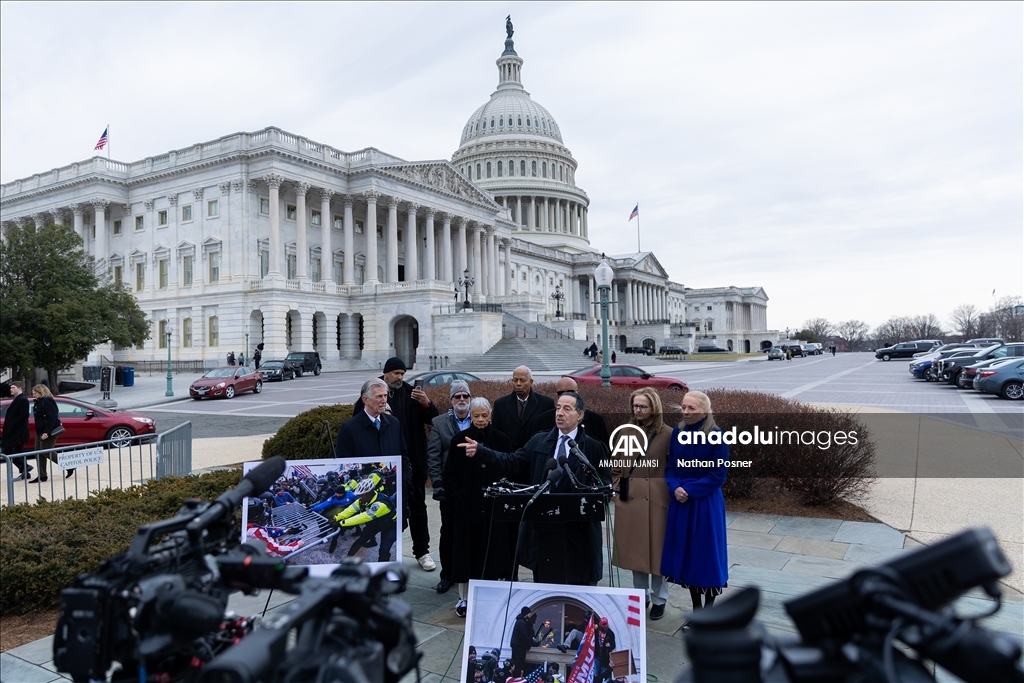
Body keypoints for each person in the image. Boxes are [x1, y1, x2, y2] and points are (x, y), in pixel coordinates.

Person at [461, 392, 610, 585]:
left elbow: (604, 485)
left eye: (567, 409)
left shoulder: (593, 447)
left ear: (580, 415)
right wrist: (482, 452)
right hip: (544, 530)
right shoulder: (540, 441)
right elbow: (512, 461)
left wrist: (595, 500)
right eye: (558, 408)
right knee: (545, 587)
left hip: (578, 535)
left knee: (574, 589)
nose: (559, 413)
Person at [352, 357, 439, 572]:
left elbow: (433, 419)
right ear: (386, 373)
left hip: (412, 462)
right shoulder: (371, 391)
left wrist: (426, 404)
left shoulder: (412, 393)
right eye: (396, 373)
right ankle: (384, 553)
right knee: (382, 509)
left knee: (417, 507)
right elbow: (357, 424)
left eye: (402, 373)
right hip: (380, 468)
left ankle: (422, 551)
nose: (400, 377)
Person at [662, 390, 729, 625]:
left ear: (704, 410)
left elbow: (718, 474)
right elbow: (671, 467)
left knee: (706, 558)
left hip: (705, 505)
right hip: (681, 503)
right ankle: (696, 612)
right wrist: (674, 487)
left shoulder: (716, 436)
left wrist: (690, 490)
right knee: (688, 557)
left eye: (691, 408)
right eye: (683, 407)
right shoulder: (678, 433)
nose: (686, 411)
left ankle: (706, 615)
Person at [444, 397, 513, 616]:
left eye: (484, 415)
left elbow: (510, 467)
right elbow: (450, 474)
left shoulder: (502, 439)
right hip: (468, 508)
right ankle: (464, 599)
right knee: (467, 556)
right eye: (476, 416)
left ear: (490, 415)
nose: (481, 420)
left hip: (494, 508)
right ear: (470, 416)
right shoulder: (459, 439)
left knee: (494, 554)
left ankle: (493, 596)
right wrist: (458, 499)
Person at [612, 387, 673, 620]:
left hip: (658, 501)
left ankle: (659, 598)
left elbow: (674, 467)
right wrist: (617, 488)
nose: (637, 410)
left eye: (642, 406)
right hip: (631, 501)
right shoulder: (625, 432)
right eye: (635, 406)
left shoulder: (668, 434)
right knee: (635, 553)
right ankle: (640, 595)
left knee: (658, 554)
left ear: (654, 408)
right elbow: (615, 465)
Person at [335, 378, 413, 550]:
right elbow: (344, 460)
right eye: (379, 396)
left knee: (392, 540)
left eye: (385, 396)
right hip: (367, 497)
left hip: (393, 494)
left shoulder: (394, 423)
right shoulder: (350, 428)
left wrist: (405, 481)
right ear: (365, 399)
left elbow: (404, 456)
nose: (384, 400)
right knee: (369, 532)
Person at [426, 379, 474, 594]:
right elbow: (433, 456)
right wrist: (438, 483)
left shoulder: (478, 418)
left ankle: (471, 574)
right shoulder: (439, 423)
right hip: (449, 489)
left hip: (473, 487)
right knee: (449, 532)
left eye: (465, 396)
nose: (462, 400)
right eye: (457, 396)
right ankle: (447, 575)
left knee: (473, 532)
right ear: (451, 400)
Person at [332, 477, 398, 561]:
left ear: (370, 493)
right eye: (359, 495)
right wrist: (337, 517)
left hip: (390, 525)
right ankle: (347, 560)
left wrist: (342, 523)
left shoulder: (381, 504)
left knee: (384, 549)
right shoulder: (363, 499)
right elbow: (350, 509)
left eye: (362, 495)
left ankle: (382, 565)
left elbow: (364, 517)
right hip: (376, 523)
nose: (360, 497)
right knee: (361, 540)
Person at [492, 366, 555, 453]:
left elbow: (550, 434)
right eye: (515, 380)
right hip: (508, 457)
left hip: (534, 455)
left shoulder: (546, 404)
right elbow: (496, 435)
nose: (518, 384)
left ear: (531, 382)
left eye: (522, 380)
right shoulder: (500, 404)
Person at [532, 377, 609, 447]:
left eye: (571, 392)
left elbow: (604, 452)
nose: (566, 395)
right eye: (561, 393)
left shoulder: (595, 420)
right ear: (556, 395)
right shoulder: (542, 421)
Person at [29, 384, 63, 483]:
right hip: (40, 430)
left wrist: (46, 432)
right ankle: (42, 475)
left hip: (48, 431)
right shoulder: (38, 402)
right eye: (33, 393)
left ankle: (67, 464)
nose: (33, 395)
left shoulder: (47, 401)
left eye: (35, 393)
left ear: (41, 392)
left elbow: (52, 417)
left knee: (45, 450)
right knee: (38, 452)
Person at [2, 381, 32, 481]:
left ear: (19, 388)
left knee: (7, 450)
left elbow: (24, 415)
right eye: (11, 388)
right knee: (19, 450)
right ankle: (25, 471)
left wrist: (13, 425)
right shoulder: (18, 399)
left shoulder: (22, 399)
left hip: (17, 431)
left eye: (13, 387)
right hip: (16, 430)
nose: (11, 389)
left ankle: (25, 467)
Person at [509, 607, 538, 678]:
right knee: (518, 665)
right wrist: (532, 642)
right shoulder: (522, 623)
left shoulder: (520, 622)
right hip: (519, 648)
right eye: (529, 614)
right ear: (527, 614)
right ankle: (516, 678)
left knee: (517, 665)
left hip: (517, 647)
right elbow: (524, 636)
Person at [593, 617, 617, 683]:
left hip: (605, 658)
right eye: (603, 624)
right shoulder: (596, 630)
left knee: (604, 676)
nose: (605, 626)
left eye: (606, 624)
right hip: (596, 655)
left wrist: (610, 645)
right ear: (600, 624)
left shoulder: (610, 633)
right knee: (595, 674)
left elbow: (613, 645)